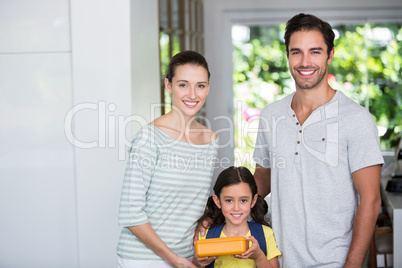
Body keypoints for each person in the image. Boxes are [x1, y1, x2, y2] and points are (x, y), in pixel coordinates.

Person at [253, 13, 384, 267]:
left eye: (315, 51)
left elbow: (371, 200)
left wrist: (352, 265)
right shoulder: (271, 115)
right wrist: (219, 214)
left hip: (334, 260)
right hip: (280, 258)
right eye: (296, 52)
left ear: (330, 55)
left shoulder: (356, 119)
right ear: (288, 55)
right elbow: (261, 181)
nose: (305, 61)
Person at [116, 50, 219, 268]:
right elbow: (130, 212)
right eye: (183, 84)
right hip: (143, 259)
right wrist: (172, 259)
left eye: (200, 85)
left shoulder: (210, 140)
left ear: (208, 88)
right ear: (168, 85)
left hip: (187, 257)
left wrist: (207, 217)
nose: (192, 94)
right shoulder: (149, 137)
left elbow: (193, 200)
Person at [193, 166, 281, 268]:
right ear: (217, 201)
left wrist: (258, 256)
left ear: (253, 200)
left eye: (243, 200)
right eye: (229, 200)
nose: (236, 208)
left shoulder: (266, 234)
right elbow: (196, 265)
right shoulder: (205, 235)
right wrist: (197, 262)